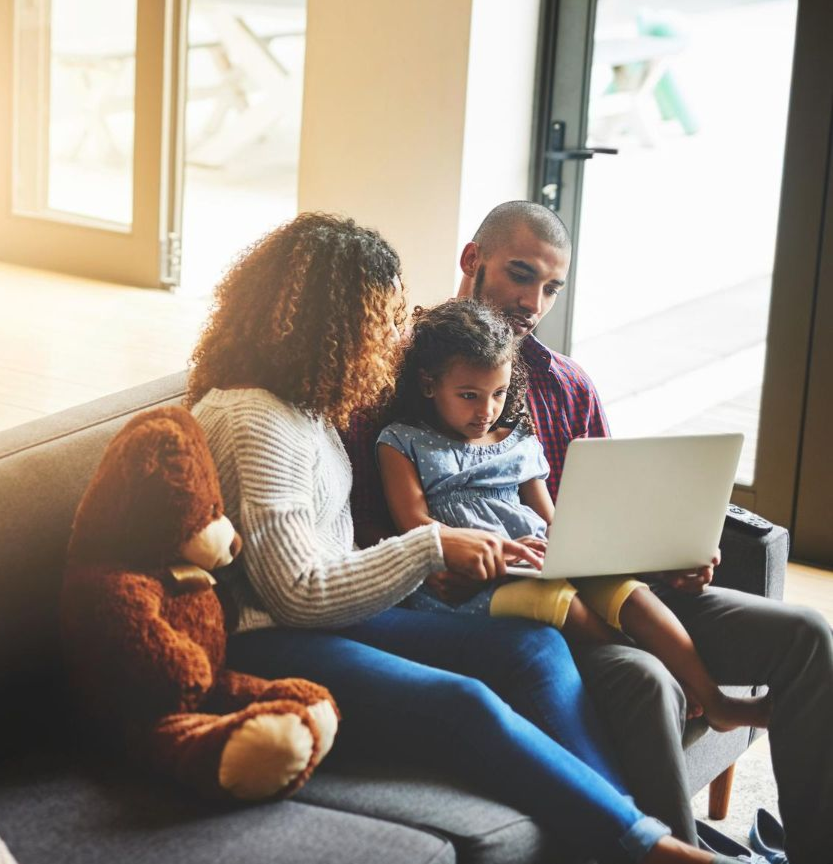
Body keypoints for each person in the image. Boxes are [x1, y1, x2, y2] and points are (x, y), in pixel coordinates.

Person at [186, 211, 735, 864]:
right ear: (329, 321)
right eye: (380, 314)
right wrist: (433, 545)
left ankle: (629, 828)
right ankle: (645, 846)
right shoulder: (255, 417)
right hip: (268, 637)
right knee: (462, 699)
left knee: (532, 646)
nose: (393, 332)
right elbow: (297, 592)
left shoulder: (304, 403)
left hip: (328, 621)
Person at [345, 200, 832, 864]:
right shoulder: (393, 379)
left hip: (600, 577)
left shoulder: (565, 384)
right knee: (645, 677)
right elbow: (373, 530)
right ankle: (683, 855)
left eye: (549, 287)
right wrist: (434, 556)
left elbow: (602, 515)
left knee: (807, 634)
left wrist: (671, 554)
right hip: (509, 604)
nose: (532, 301)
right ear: (472, 259)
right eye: (519, 275)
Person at [376, 297, 772, 734]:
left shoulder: (518, 441)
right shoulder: (402, 442)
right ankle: (662, 674)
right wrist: (499, 549)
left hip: (536, 562)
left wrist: (584, 551)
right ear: (429, 384)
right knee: (554, 601)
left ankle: (716, 701)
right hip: (464, 582)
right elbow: (415, 524)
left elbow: (551, 520)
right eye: (468, 396)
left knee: (628, 592)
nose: (485, 410)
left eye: (498, 394)